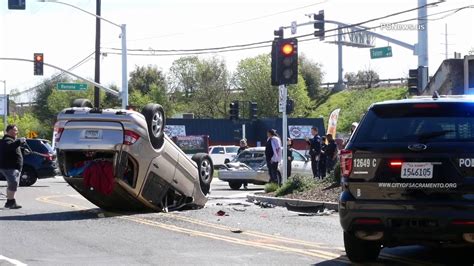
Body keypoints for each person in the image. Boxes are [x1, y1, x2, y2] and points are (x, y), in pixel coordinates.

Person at [0, 125, 27, 209]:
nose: (17, 132)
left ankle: (10, 202)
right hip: (9, 167)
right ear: (9, 131)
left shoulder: (11, 140)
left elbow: (12, 149)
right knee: (13, 184)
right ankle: (11, 202)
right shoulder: (6, 140)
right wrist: (19, 142)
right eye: (15, 130)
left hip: (13, 167)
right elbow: (9, 147)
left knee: (12, 184)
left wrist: (23, 150)